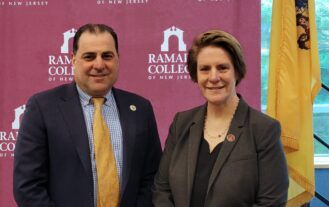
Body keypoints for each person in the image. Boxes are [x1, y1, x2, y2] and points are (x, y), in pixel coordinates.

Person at [13, 23, 162, 207]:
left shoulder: (141, 108)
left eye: (107, 56)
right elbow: (27, 186)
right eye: (89, 56)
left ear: (118, 59)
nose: (99, 65)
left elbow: (153, 179)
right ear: (74, 60)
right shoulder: (42, 107)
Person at [152, 30, 289, 206]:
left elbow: (272, 202)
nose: (213, 77)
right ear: (195, 75)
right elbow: (162, 189)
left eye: (222, 68)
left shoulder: (263, 129)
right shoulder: (181, 123)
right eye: (205, 69)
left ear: (237, 72)